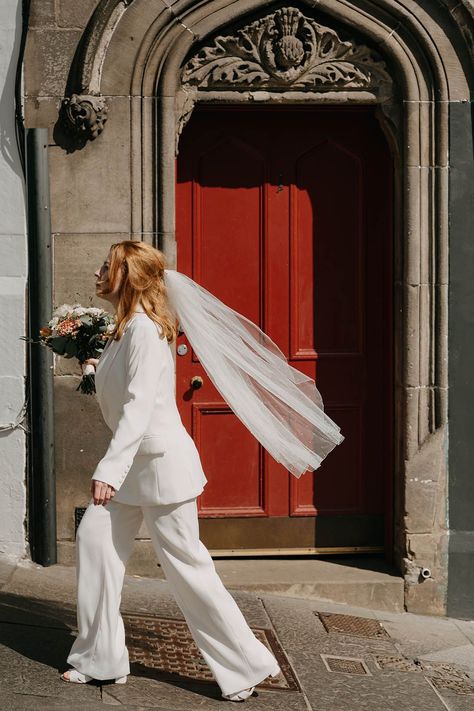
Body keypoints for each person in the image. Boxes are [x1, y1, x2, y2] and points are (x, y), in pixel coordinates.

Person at [60, 241, 282, 701]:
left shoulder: (143, 329)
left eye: (108, 267)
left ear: (130, 277)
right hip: (132, 471)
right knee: (95, 545)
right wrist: (93, 366)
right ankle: (99, 658)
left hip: (159, 469)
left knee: (187, 568)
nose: (98, 272)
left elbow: (140, 408)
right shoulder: (122, 329)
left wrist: (108, 469)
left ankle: (245, 667)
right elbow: (126, 389)